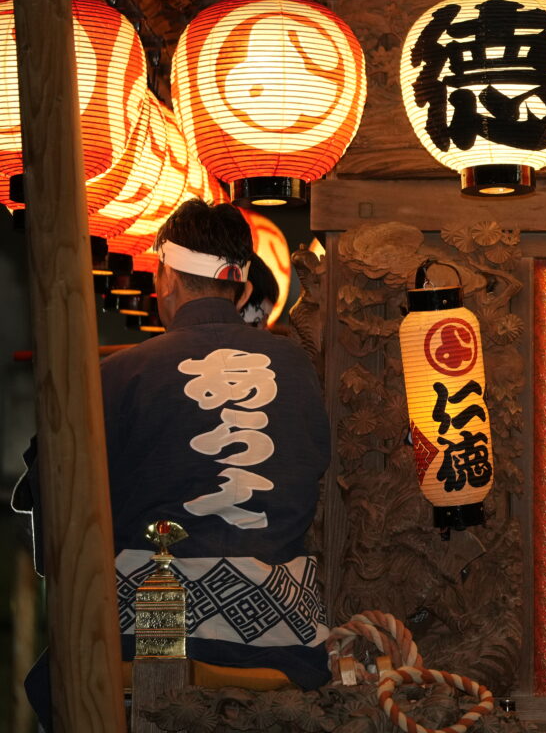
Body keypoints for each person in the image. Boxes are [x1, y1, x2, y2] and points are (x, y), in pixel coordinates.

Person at [17, 199, 331, 723]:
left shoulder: (122, 373)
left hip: (152, 632)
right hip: (282, 635)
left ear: (165, 278)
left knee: (65, 674)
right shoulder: (297, 367)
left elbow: (60, 511)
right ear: (241, 287)